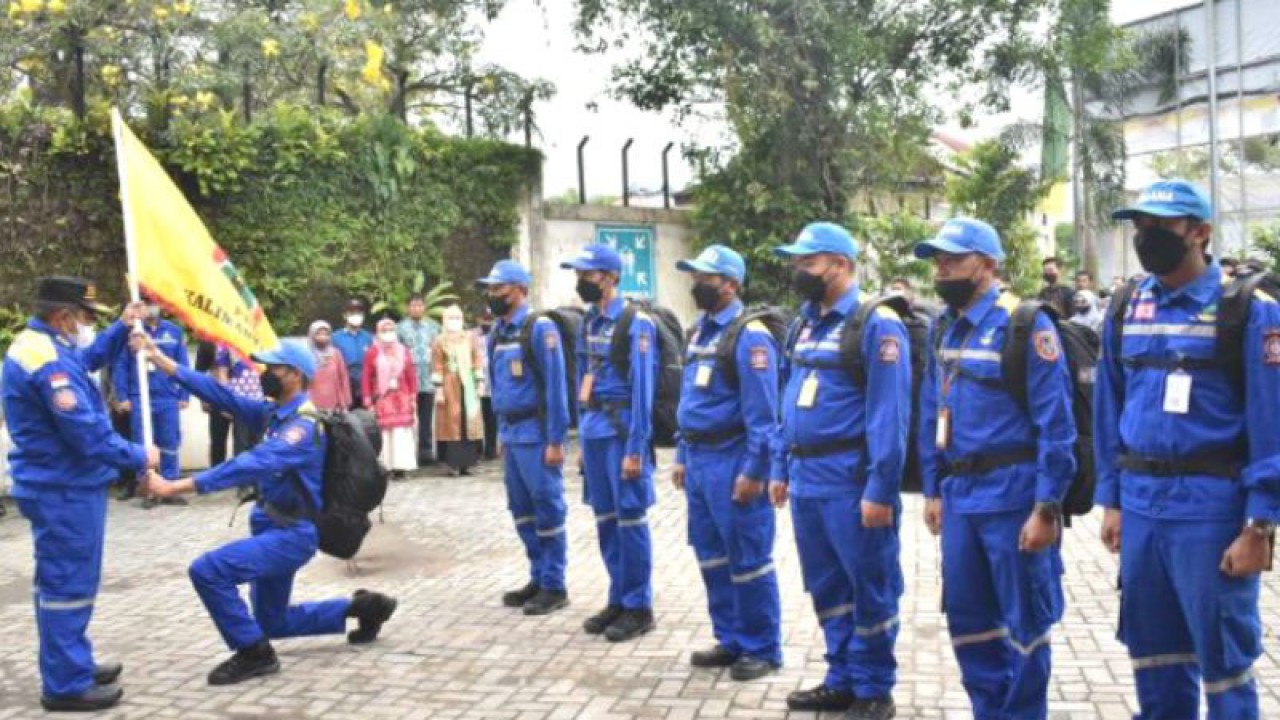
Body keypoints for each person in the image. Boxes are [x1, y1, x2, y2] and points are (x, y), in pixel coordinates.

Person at [1096, 179, 1280, 719]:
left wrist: (1261, 526)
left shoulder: (1248, 310)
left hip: (1210, 509)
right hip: (1142, 505)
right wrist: (1113, 499)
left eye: (1160, 226)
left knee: (1223, 661)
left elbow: (1272, 422)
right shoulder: (1127, 305)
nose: (1146, 236)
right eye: (1140, 226)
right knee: (1154, 655)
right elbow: (1110, 409)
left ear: (1200, 233)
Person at [132, 337, 398, 686]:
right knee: (272, 622)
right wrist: (162, 361)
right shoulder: (273, 413)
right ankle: (363, 609)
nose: (264, 372)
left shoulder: (302, 428)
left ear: (294, 375)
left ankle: (255, 654)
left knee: (209, 571)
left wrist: (176, 486)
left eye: (273, 368)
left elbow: (252, 464)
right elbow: (221, 394)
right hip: (271, 523)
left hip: (292, 534)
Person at [916, 218, 1077, 720]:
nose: (942, 269)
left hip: (1014, 497)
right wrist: (934, 487)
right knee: (968, 621)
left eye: (953, 260)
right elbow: (931, 410)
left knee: (1025, 624)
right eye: (937, 260)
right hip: (961, 495)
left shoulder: (1025, 323)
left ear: (987, 265)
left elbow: (1057, 424)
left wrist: (1048, 506)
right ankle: (990, 711)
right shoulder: (942, 326)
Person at [770, 223, 909, 720]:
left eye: (808, 263)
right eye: (798, 262)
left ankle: (875, 688)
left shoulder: (877, 324)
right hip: (807, 480)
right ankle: (842, 677)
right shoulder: (803, 324)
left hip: (852, 482)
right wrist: (779, 465)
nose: (799, 271)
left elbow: (888, 416)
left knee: (868, 583)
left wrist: (880, 488)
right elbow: (786, 399)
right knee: (826, 585)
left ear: (842, 265)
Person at [3, 277, 157, 711]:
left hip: (63, 484)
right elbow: (87, 435)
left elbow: (86, 359)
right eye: (86, 317)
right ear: (62, 315)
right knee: (67, 585)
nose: (87, 324)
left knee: (61, 582)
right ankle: (66, 684)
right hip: (63, 487)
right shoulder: (48, 362)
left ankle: (72, 661)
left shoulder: (44, 345)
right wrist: (140, 456)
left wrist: (123, 328)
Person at [672, 245, 782, 681]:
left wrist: (754, 471)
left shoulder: (749, 335)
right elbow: (689, 399)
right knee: (711, 555)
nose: (697, 284)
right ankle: (731, 637)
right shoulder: (698, 332)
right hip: (699, 458)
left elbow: (763, 415)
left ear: (730, 284)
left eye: (705, 277)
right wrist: (681, 454)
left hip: (732, 458)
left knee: (748, 557)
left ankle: (762, 647)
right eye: (694, 275)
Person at [561, 243, 658, 643]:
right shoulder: (589, 322)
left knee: (630, 520)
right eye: (579, 275)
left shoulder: (636, 324)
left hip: (622, 433)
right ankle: (618, 597)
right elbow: (583, 377)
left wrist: (637, 447)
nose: (581, 282)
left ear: (611, 278)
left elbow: (643, 392)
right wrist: (581, 436)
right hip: (596, 431)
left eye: (589, 275)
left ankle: (639, 606)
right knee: (606, 521)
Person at [477, 260, 571, 616]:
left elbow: (555, 386)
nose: (492, 296)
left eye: (498, 289)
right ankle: (537, 575)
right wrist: (500, 431)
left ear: (519, 290)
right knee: (521, 510)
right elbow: (498, 385)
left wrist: (556, 439)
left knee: (547, 506)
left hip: (536, 433)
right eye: (489, 290)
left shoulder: (539, 328)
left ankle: (554, 583)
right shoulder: (498, 332)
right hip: (512, 433)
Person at [111, 302, 189, 508]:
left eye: (154, 304)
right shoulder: (132, 333)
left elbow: (182, 364)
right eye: (146, 305)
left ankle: (170, 487)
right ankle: (148, 489)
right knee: (142, 445)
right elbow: (121, 367)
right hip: (140, 397)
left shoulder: (174, 332)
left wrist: (184, 394)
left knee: (169, 443)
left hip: (168, 397)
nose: (151, 309)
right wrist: (123, 396)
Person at [431, 305, 486, 475]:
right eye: (450, 318)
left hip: (467, 384)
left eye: (457, 317)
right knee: (451, 422)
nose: (454, 321)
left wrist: (480, 382)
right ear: (444, 320)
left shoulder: (470, 338)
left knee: (467, 421)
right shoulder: (439, 341)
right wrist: (439, 389)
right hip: (450, 384)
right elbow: (437, 366)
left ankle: (467, 463)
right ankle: (451, 463)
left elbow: (477, 360)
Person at [363, 317, 419, 478]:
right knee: (385, 433)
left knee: (401, 433)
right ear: (378, 332)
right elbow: (366, 377)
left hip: (402, 397)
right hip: (382, 398)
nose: (388, 334)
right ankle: (386, 467)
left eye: (391, 330)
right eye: (384, 330)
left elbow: (411, 375)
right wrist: (368, 400)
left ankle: (401, 467)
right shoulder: (373, 352)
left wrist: (413, 396)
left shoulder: (403, 351)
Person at [397, 295, 441, 465]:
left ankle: (426, 451)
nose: (417, 308)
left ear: (424, 307)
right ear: (408, 308)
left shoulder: (433, 327)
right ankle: (407, 453)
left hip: (428, 379)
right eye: (413, 305)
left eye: (420, 305)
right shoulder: (399, 328)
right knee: (407, 417)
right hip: (407, 380)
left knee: (426, 417)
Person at [213, 343, 265, 458]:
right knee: (242, 447)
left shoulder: (262, 337)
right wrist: (225, 402)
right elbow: (222, 373)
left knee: (260, 446)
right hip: (240, 401)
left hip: (262, 401)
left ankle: (258, 476)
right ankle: (243, 476)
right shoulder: (225, 342)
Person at [332, 298, 373, 409]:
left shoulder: (368, 337)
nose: (356, 316)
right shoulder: (335, 337)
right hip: (345, 383)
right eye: (352, 313)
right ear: (345, 315)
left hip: (364, 383)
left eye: (359, 313)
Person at [307, 321, 351, 411]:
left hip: (334, 404)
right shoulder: (306, 355)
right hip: (312, 405)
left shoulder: (335, 354)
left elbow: (343, 378)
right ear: (312, 335)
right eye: (318, 334)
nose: (322, 337)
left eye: (326, 334)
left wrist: (346, 401)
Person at [475, 308, 499, 460]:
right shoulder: (471, 336)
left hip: (493, 383)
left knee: (492, 418)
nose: (486, 323)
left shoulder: (498, 334)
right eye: (484, 319)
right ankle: (477, 450)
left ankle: (491, 449)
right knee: (477, 418)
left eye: (489, 319)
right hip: (476, 383)